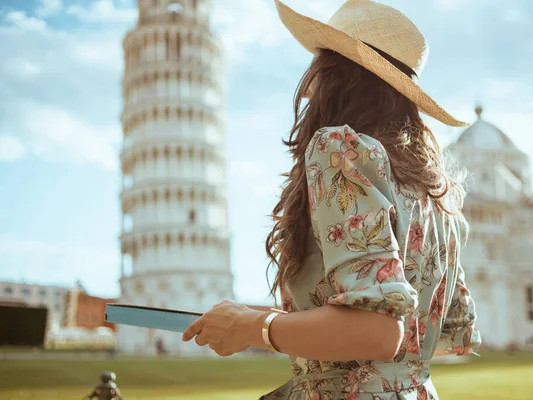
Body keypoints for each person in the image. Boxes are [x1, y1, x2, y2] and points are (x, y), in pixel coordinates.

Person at [182, 0, 482, 398]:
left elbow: (375, 331)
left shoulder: (340, 150)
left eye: (317, 69)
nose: (306, 88)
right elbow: (455, 334)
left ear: (338, 76)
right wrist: (258, 318)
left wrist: (256, 329)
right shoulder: (435, 192)